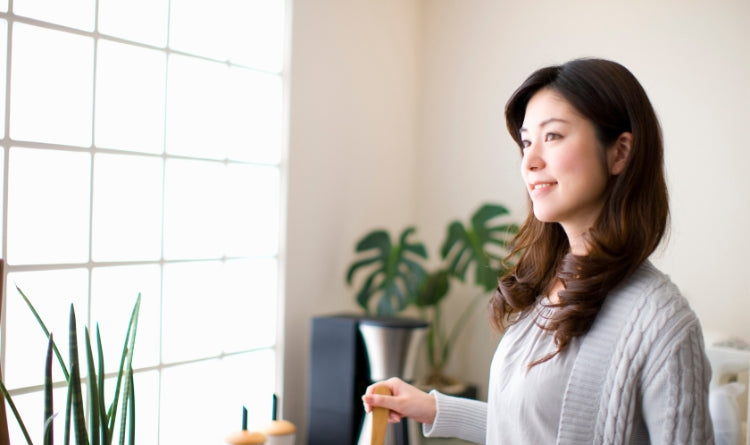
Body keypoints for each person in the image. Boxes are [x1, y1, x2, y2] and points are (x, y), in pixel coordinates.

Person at [362, 58, 714, 444]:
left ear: (620, 153)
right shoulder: (545, 286)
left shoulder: (662, 323)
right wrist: (432, 407)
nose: (529, 161)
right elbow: (531, 427)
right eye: (527, 141)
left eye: (553, 136)